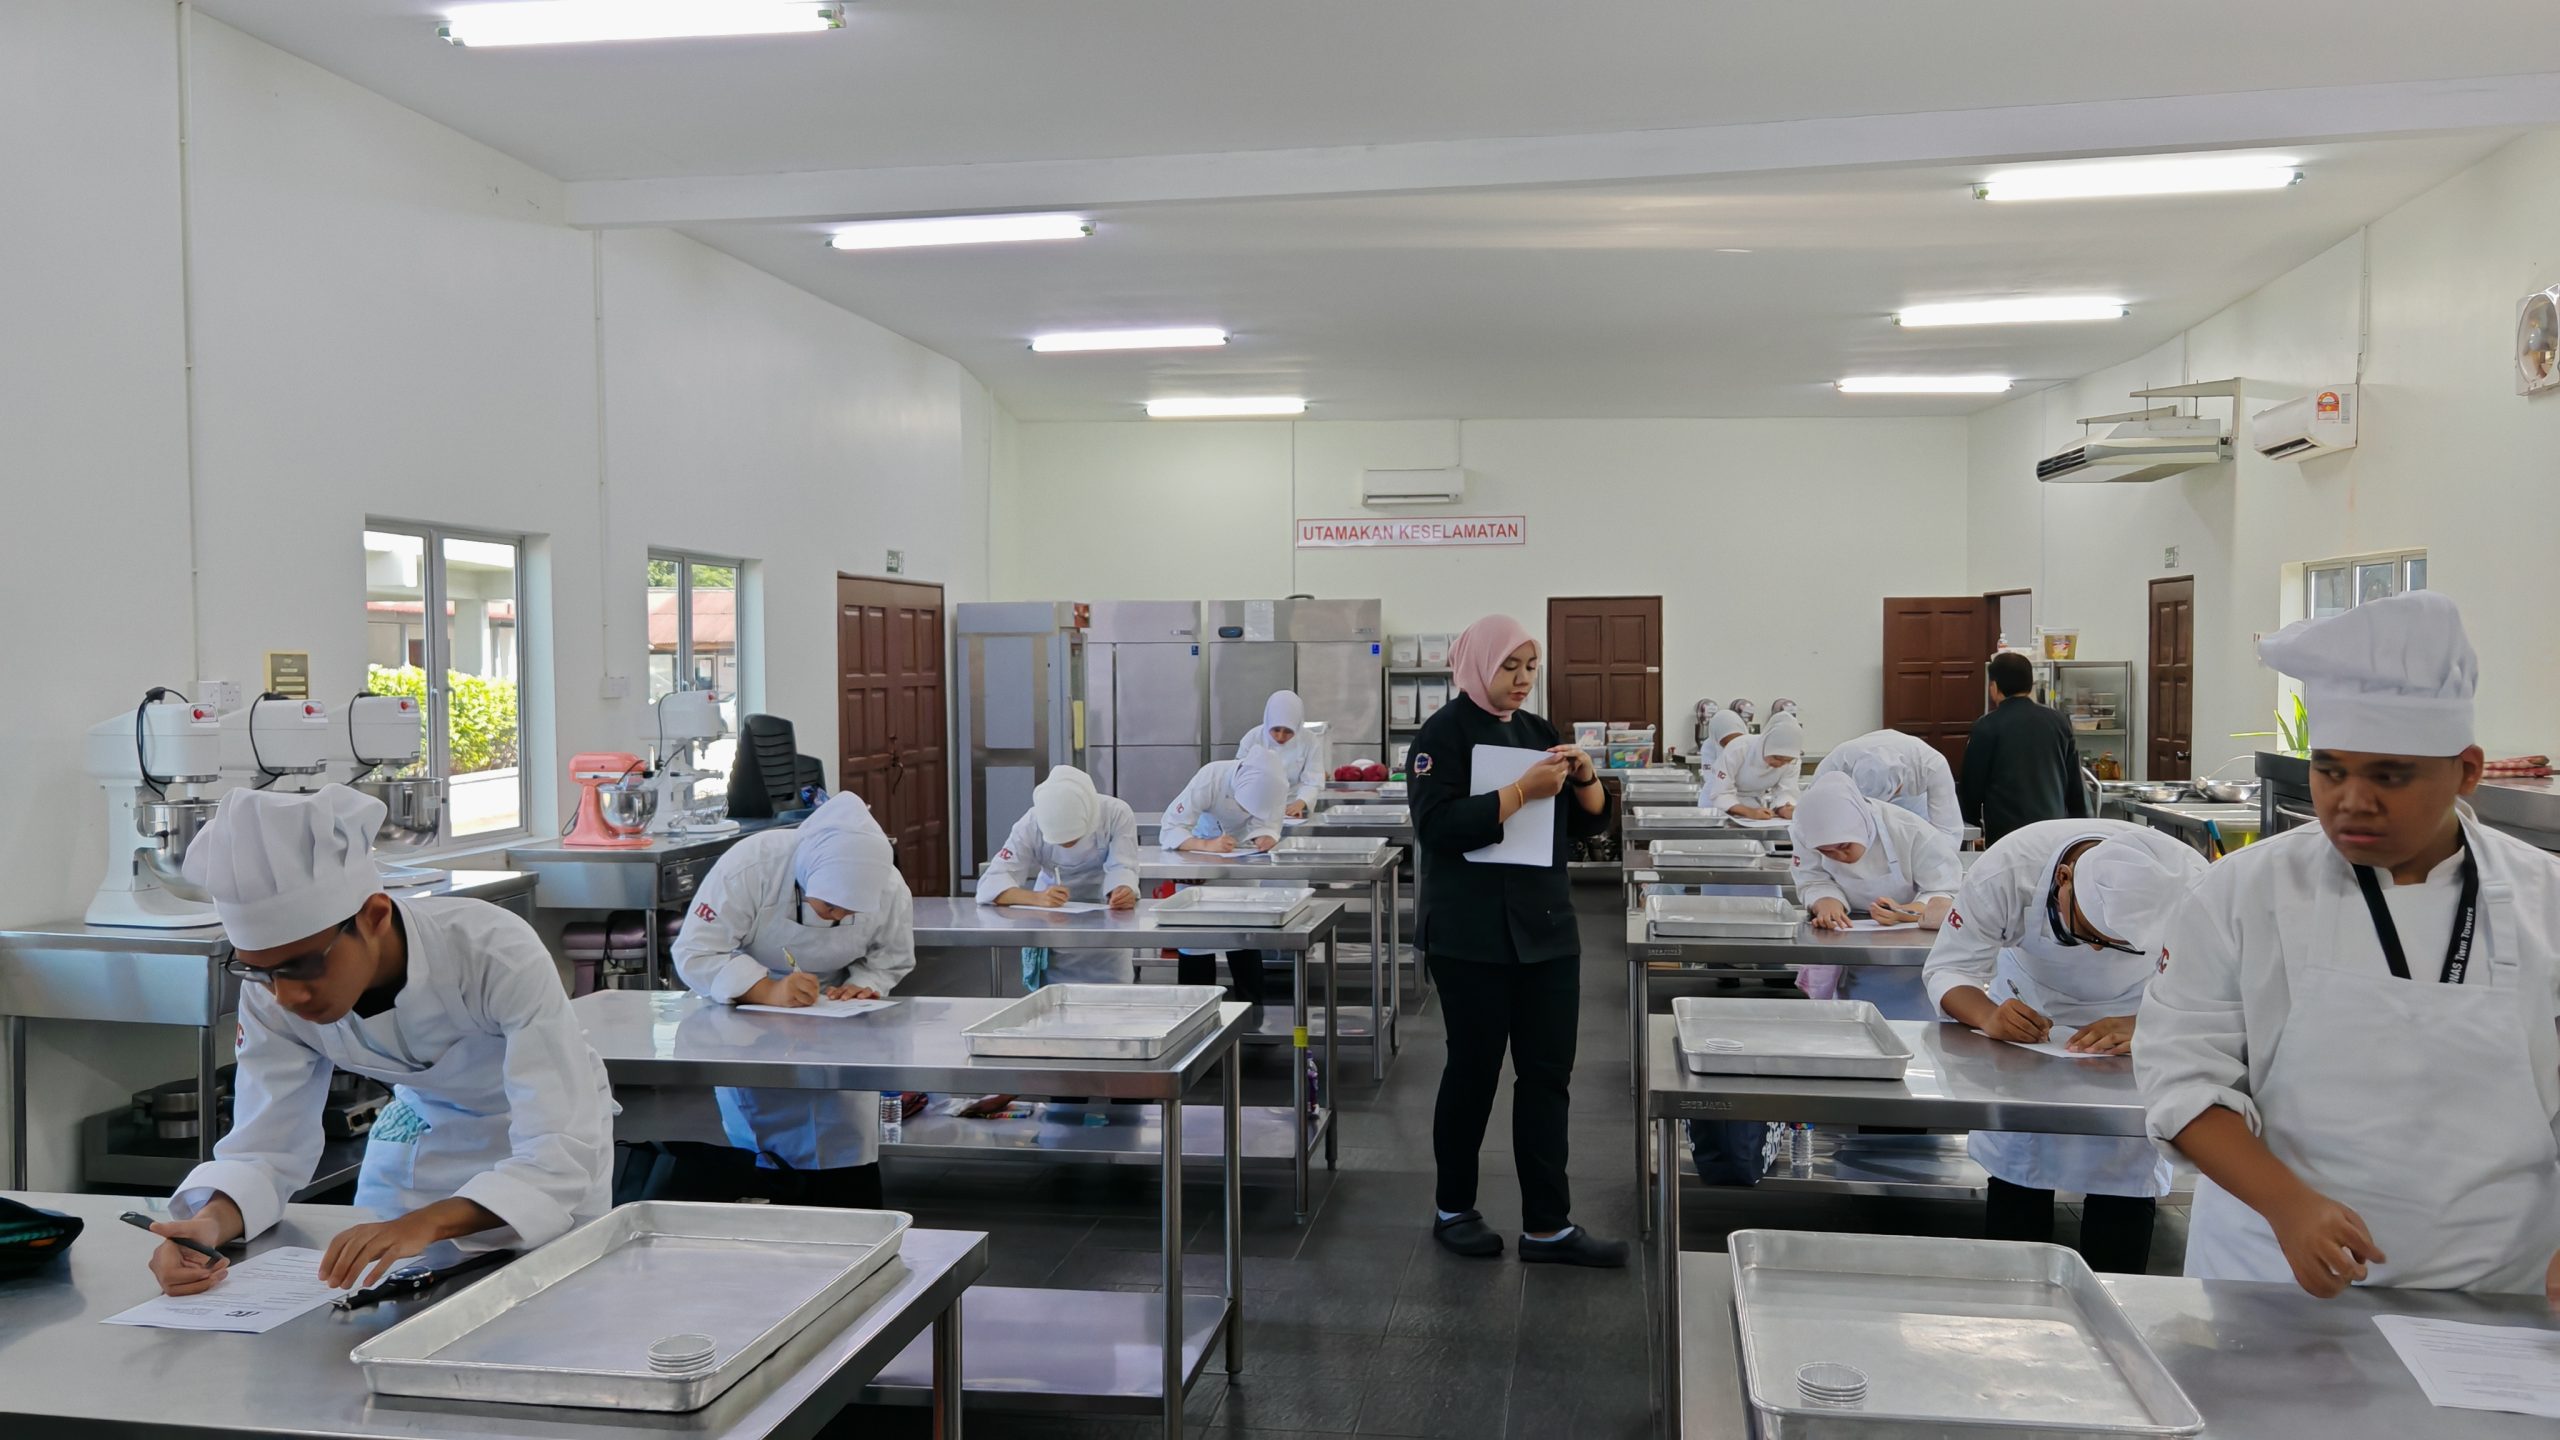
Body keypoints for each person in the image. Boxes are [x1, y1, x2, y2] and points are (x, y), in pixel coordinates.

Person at [2140, 592, 2560, 1301]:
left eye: (2390, 775)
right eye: (2330, 770)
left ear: (2466, 770)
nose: (2352, 800)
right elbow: (2181, 1077)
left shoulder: (2546, 899)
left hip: (2498, 1288)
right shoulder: (2244, 891)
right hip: (2273, 1281)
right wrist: (2287, 1206)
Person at [143, 787, 614, 1296]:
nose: (287, 995)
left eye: (304, 965)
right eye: (260, 971)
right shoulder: (271, 992)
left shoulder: (492, 951)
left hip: (552, 1146)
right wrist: (206, 1226)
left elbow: (557, 1150)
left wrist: (424, 1223)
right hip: (423, 1137)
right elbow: (265, 1149)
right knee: (382, 1307)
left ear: (374, 917)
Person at [1410, 614, 1622, 1266]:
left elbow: (1589, 829)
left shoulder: (1538, 734)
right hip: (1469, 934)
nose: (1523, 678)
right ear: (1479, 663)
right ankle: (1454, 1208)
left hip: (1546, 930)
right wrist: (1519, 793)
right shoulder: (1440, 735)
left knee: (1547, 1077)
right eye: (1510, 666)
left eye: (1531, 666)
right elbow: (1438, 826)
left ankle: (1548, 1226)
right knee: (1473, 1072)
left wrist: (1585, 779)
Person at [1923, 818, 2205, 1272]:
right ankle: (2014, 1296)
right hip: (2027, 1005)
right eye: (2087, 933)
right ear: (2063, 879)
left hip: (2138, 1015)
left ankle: (2114, 1298)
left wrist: (2147, 1024)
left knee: (2125, 1166)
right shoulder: (2007, 870)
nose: (2095, 951)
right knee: (2020, 1162)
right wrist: (1988, 1016)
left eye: (2116, 944)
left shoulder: (2195, 887)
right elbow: (1948, 968)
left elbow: (2217, 990)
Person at [666, 791, 915, 1208]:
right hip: (745, 1011)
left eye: (849, 912)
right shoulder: (753, 865)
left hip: (838, 1015)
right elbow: (696, 952)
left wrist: (865, 984)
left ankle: (855, 1222)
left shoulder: (889, 887)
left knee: (846, 1141)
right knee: (765, 1148)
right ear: (807, 874)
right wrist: (768, 990)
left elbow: (892, 956)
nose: (836, 917)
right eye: (829, 905)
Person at [1790, 772, 1962, 999]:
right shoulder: (1805, 831)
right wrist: (1826, 901)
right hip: (1849, 941)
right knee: (1851, 1010)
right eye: (1826, 852)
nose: (1840, 856)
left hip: (1914, 951)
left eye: (1844, 846)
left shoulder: (1910, 831)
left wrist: (1906, 912)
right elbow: (1812, 877)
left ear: (1862, 826)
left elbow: (1944, 889)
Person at [976, 765, 1141, 987]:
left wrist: (1123, 890)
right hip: (1052, 926)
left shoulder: (1116, 813)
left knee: (1112, 1001)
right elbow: (991, 882)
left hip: (1108, 931)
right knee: (1051, 1002)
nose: (1067, 845)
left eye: (1074, 838)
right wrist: (1038, 898)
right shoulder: (1031, 823)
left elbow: (1123, 866)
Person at [1159, 752, 1292, 1013]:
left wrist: (1265, 836)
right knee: (1196, 943)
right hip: (1198, 860)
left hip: (1242, 865)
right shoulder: (1212, 776)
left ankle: (1253, 1015)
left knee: (1245, 939)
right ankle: (1194, 1016)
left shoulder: (1276, 784)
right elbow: (1171, 827)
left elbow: (1269, 823)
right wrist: (1206, 845)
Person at [1959, 651, 2088, 844]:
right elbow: (2075, 782)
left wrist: (1973, 826)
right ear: (2030, 684)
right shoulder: (2058, 721)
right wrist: (2082, 827)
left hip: (2007, 834)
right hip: (2053, 830)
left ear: (1994, 686)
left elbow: (1972, 785)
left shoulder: (1987, 726)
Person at [1814, 728, 1963, 843]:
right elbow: (1812, 816)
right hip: (1852, 816)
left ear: (1901, 784)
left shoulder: (1931, 764)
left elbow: (1948, 831)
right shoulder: (1837, 763)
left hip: (1915, 812)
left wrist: (1935, 863)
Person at [1701, 710, 1804, 820]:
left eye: (1787, 761)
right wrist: (1749, 812)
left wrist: (1785, 808)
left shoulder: (1794, 761)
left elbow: (1786, 791)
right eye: (1776, 758)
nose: (1780, 764)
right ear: (1764, 747)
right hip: (1719, 808)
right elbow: (1720, 793)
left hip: (1754, 809)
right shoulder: (1738, 749)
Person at [1236, 689, 1322, 818]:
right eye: (1276, 730)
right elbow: (1239, 775)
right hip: (1255, 804)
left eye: (1288, 731)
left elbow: (1313, 781)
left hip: (1293, 805)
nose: (1281, 736)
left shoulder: (1310, 741)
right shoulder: (1253, 738)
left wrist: (1301, 802)